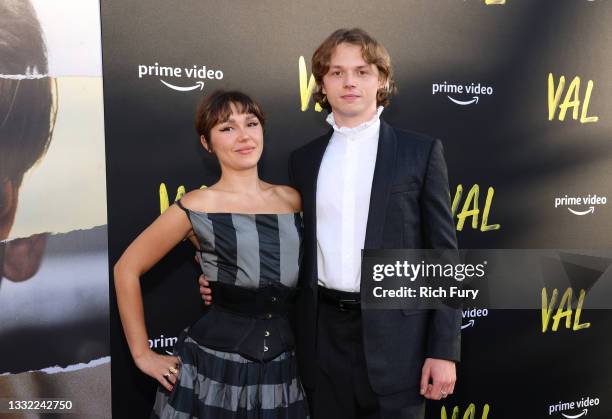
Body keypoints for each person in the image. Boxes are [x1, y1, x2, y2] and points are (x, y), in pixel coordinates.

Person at [200, 29, 461, 419]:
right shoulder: (304, 160)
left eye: (362, 71)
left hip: (399, 342)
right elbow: (289, 244)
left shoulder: (419, 152)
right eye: (337, 72)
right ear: (322, 83)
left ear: (382, 79)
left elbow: (443, 257)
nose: (350, 81)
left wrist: (443, 351)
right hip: (322, 339)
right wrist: (221, 277)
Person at [114, 90, 309, 418]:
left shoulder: (293, 200)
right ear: (207, 143)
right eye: (227, 128)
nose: (244, 136)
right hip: (212, 372)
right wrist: (142, 354)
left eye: (251, 123)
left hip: (282, 369)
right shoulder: (196, 206)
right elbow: (126, 269)